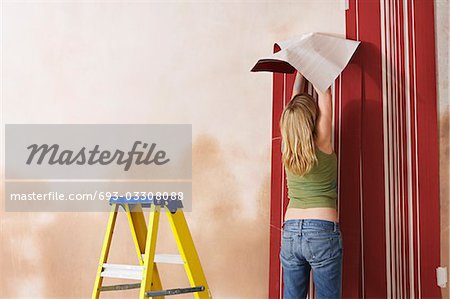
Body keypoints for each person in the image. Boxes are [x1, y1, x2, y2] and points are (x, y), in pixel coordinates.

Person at [279, 71, 343, 299]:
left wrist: (299, 73)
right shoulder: (323, 139)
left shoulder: (287, 146)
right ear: (312, 117)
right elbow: (325, 95)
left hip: (290, 231)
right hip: (321, 231)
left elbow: (293, 104)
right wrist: (312, 64)